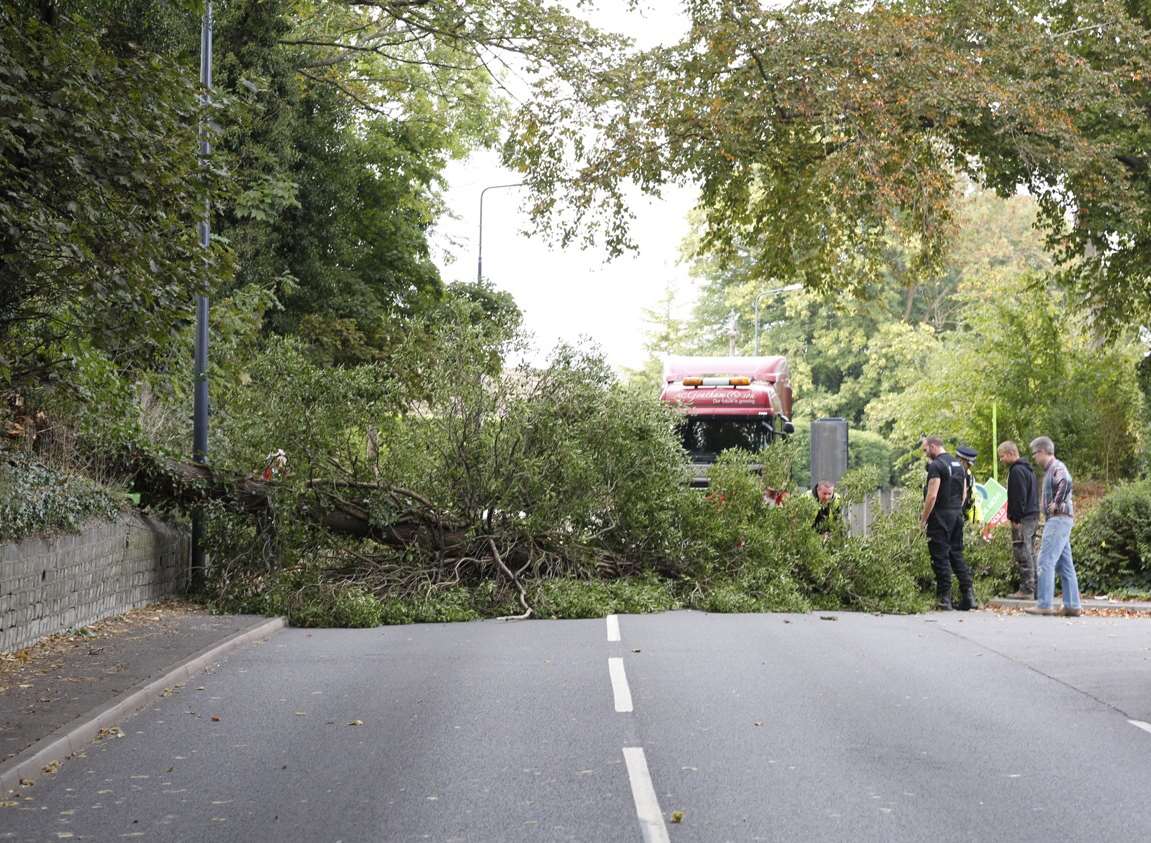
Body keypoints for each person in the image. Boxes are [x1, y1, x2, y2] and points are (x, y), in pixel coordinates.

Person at [1025, 437, 1082, 617]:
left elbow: (1066, 481)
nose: (1034, 458)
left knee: (1045, 560)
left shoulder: (1056, 467)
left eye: (1035, 454)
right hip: (1062, 520)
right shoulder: (1054, 468)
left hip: (1057, 519)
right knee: (1065, 565)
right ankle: (1072, 605)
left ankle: (1044, 603)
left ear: (1042, 451)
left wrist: (1056, 503)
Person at [919, 436, 977, 611]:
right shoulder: (959, 465)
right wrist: (955, 511)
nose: (925, 453)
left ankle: (944, 598)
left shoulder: (937, 466)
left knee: (940, 556)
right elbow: (964, 495)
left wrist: (923, 519)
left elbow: (932, 495)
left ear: (933, 446)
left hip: (940, 516)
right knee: (956, 554)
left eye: (925, 449)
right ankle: (968, 596)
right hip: (956, 515)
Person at [997, 440, 1039, 599]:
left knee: (1022, 550)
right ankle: (1037, 588)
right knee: (1031, 552)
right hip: (1032, 515)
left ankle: (1027, 590)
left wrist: (1015, 518)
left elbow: (1018, 497)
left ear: (1010, 454)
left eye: (1002, 456)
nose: (1001, 460)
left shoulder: (1016, 471)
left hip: (1023, 518)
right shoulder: (1029, 470)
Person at [956, 445, 980, 524]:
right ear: (960, 461)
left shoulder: (970, 477)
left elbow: (973, 501)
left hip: (962, 518)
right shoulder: (949, 475)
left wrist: (976, 521)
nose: (970, 467)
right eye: (968, 464)